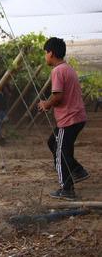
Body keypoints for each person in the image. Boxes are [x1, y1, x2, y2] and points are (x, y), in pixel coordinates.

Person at [38, 37, 89, 201]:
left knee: (60, 152)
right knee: (54, 143)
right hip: (77, 117)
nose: (45, 57)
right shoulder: (68, 68)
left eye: (45, 53)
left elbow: (58, 96)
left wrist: (46, 104)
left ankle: (66, 189)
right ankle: (77, 170)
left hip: (69, 119)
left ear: (51, 53)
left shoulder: (58, 71)